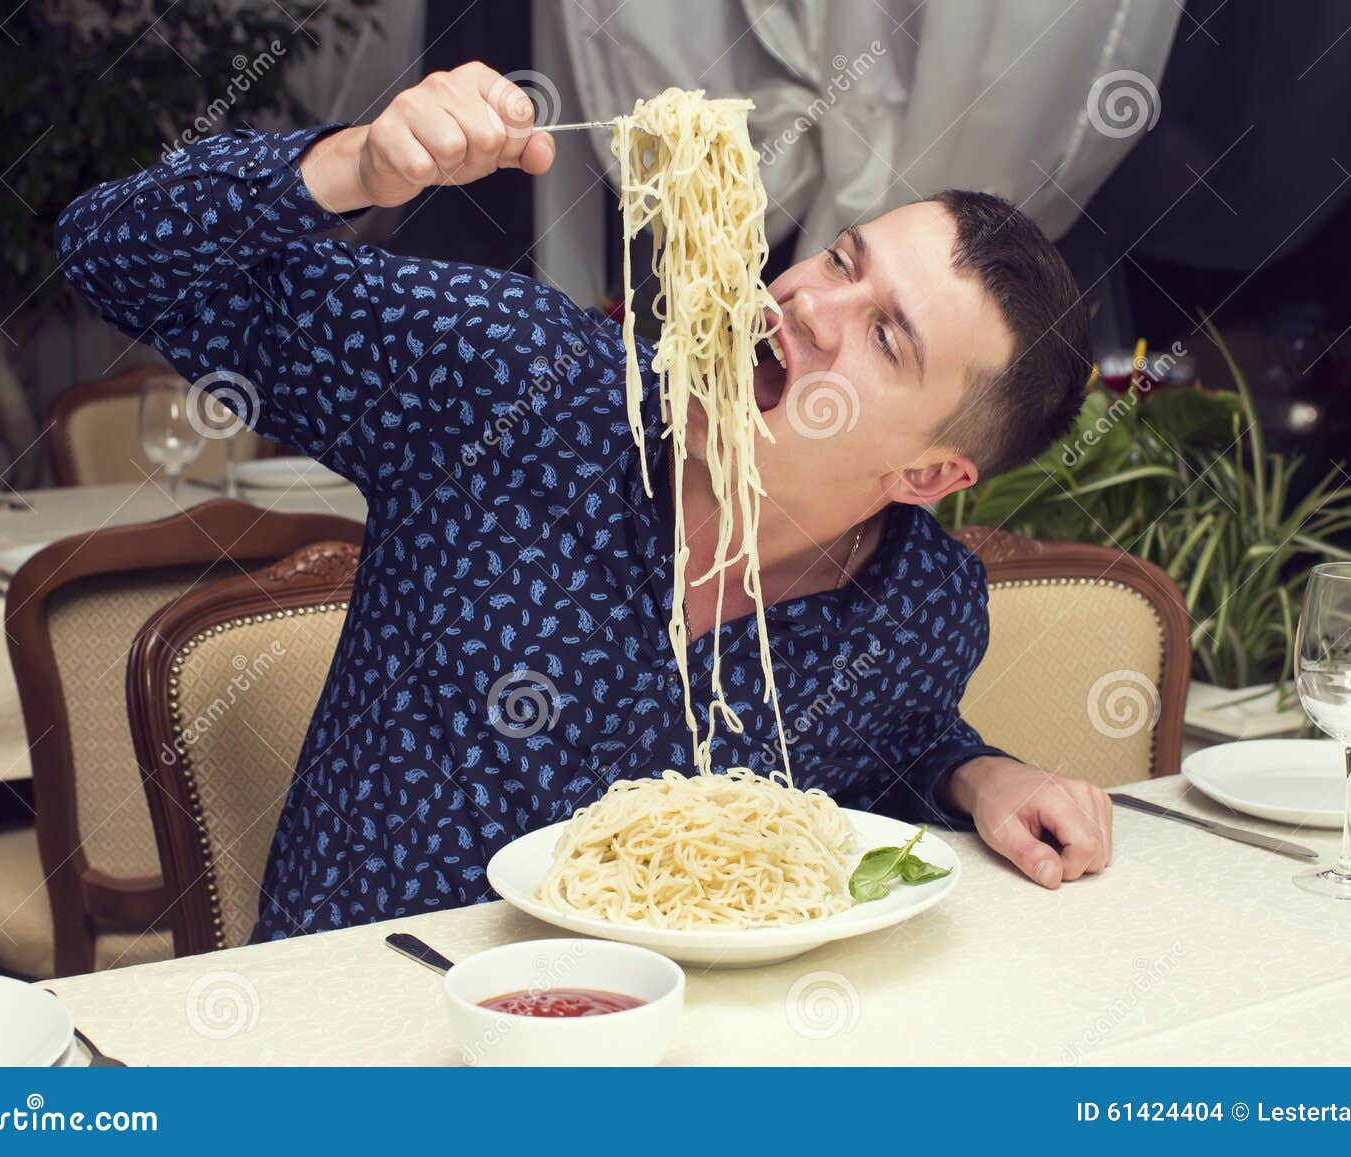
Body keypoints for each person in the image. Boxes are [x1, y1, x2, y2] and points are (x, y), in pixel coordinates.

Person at [57, 61, 1111, 941]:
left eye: (886, 336)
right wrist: (353, 165)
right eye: (840, 259)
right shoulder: (513, 380)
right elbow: (111, 255)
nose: (809, 304)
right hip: (359, 1028)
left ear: (927, 476)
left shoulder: (918, 602)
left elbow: (892, 742)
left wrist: (979, 773)